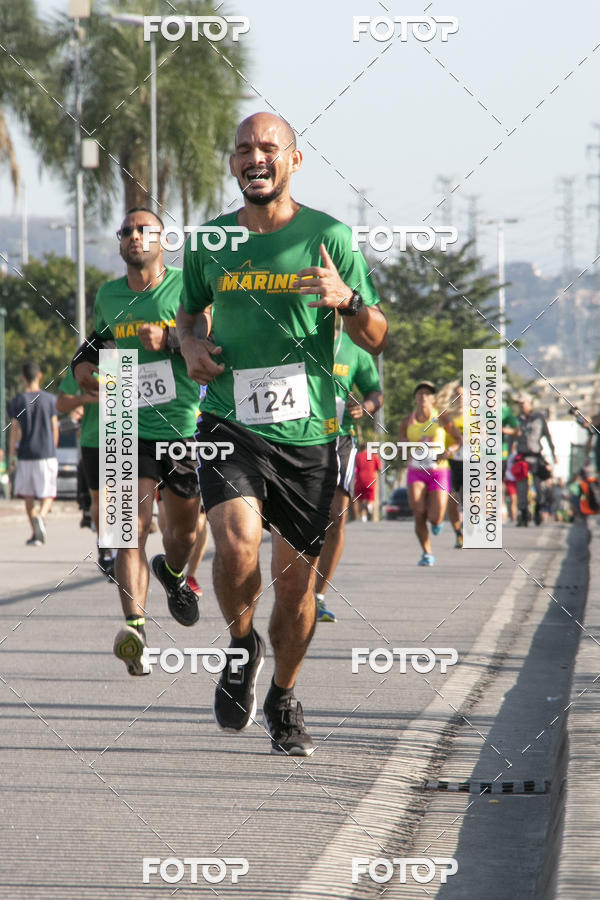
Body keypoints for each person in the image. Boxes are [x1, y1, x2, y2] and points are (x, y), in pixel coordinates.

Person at [177, 112, 387, 756]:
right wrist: (189, 343)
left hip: (309, 435)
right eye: (243, 148)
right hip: (231, 422)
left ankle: (284, 693)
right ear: (233, 164)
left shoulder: (329, 236)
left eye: (269, 147)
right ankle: (242, 646)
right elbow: (188, 311)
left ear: (294, 160)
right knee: (236, 545)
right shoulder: (210, 242)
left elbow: (376, 333)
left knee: (296, 585)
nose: (255, 157)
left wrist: (346, 299)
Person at [72, 207, 204, 676]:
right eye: (125, 231)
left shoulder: (185, 288)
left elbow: (210, 336)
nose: (132, 236)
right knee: (130, 530)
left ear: (163, 241)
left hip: (180, 424)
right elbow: (97, 341)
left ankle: (172, 572)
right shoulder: (108, 295)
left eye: (142, 230)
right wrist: (81, 366)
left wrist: (169, 337)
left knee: (184, 532)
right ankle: (136, 629)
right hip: (124, 423)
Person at [313, 322, 383, 622]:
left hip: (340, 438)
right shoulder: (297, 337)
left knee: (336, 516)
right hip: (297, 436)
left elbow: (375, 392)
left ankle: (317, 594)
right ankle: (293, 587)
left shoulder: (355, 350)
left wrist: (365, 406)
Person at [56, 368, 115, 575]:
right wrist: (86, 399)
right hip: (95, 440)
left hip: (131, 438)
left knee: (127, 498)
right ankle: (106, 547)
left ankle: (124, 552)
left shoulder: (137, 357)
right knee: (101, 499)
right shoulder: (85, 364)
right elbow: (61, 404)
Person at [398, 381, 461, 567]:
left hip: (438, 471)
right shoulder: (406, 421)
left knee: (435, 517)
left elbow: (458, 440)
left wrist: (449, 451)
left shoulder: (442, 418)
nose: (424, 396)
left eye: (428, 393)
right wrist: (405, 444)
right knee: (418, 513)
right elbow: (401, 440)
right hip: (416, 471)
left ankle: (436, 522)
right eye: (420, 393)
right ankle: (427, 553)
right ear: (415, 398)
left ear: (433, 398)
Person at [8, 362, 59, 545]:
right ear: (40, 376)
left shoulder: (17, 401)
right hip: (46, 453)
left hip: (25, 454)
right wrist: (53, 449)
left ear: (23, 377)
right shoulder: (50, 400)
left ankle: (35, 533)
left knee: (28, 496)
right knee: (48, 494)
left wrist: (12, 456)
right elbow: (54, 427)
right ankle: (41, 515)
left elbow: (14, 430)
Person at [515, 393, 556, 526]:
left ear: (530, 404)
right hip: (521, 457)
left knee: (539, 489)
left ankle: (538, 509)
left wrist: (553, 454)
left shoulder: (539, 418)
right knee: (522, 488)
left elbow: (548, 436)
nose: (521, 406)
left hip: (537, 457)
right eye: (519, 404)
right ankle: (523, 514)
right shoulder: (517, 419)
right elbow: (511, 438)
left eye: (523, 403)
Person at [442, 384, 464, 548]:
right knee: (452, 499)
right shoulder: (446, 417)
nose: (461, 399)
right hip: (451, 462)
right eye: (457, 395)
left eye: (464, 396)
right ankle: (459, 534)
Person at [353, 442, 383, 522]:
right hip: (371, 480)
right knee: (370, 497)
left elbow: (355, 468)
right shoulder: (374, 456)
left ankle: (363, 518)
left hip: (360, 480)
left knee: (360, 499)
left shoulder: (358, 456)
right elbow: (380, 468)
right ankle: (369, 505)